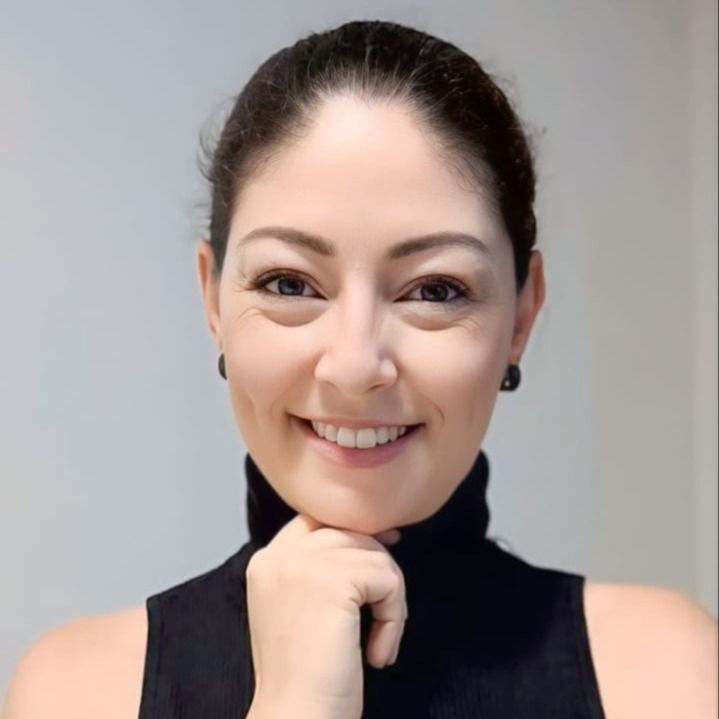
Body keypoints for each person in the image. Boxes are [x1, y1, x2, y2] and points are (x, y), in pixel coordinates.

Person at [3, 18, 717, 719]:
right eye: (289, 283)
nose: (353, 365)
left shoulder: (661, 672)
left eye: (435, 290)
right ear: (213, 299)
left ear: (522, 315)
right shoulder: (78, 691)